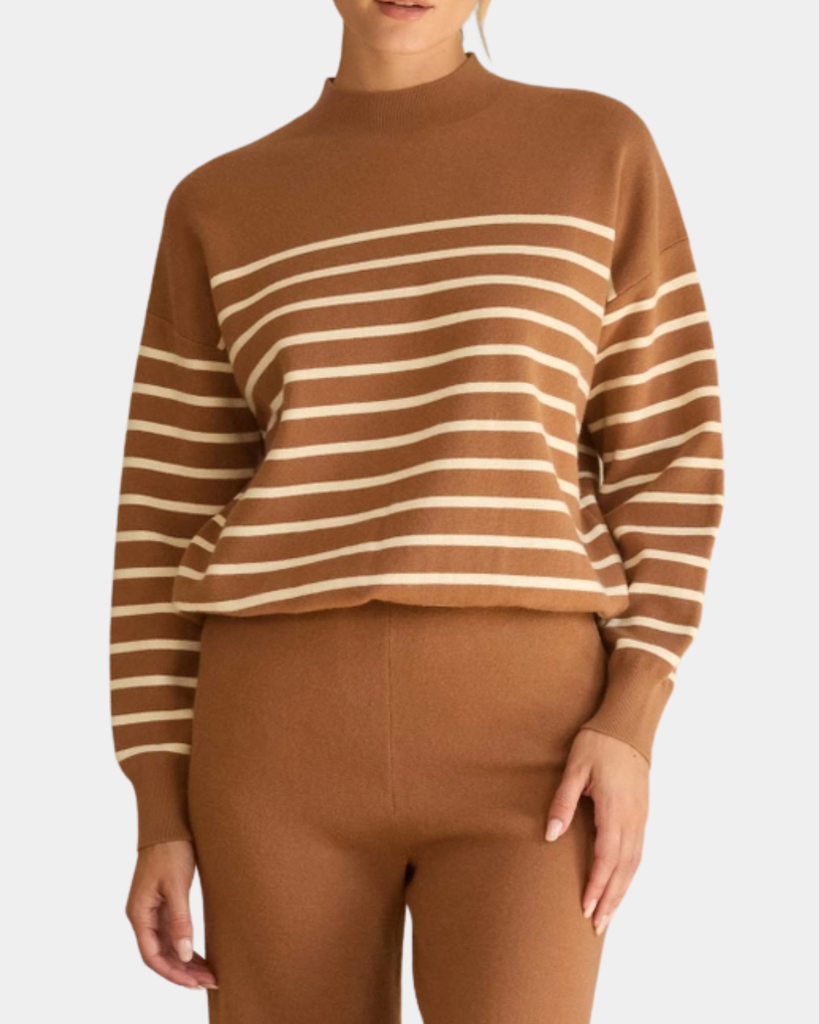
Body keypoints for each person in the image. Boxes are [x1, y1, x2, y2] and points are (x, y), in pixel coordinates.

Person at [109, 2, 725, 1021]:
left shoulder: (598, 151)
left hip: (536, 748)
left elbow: (669, 456)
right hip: (272, 749)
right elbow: (164, 514)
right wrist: (158, 807)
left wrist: (633, 713)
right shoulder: (217, 202)